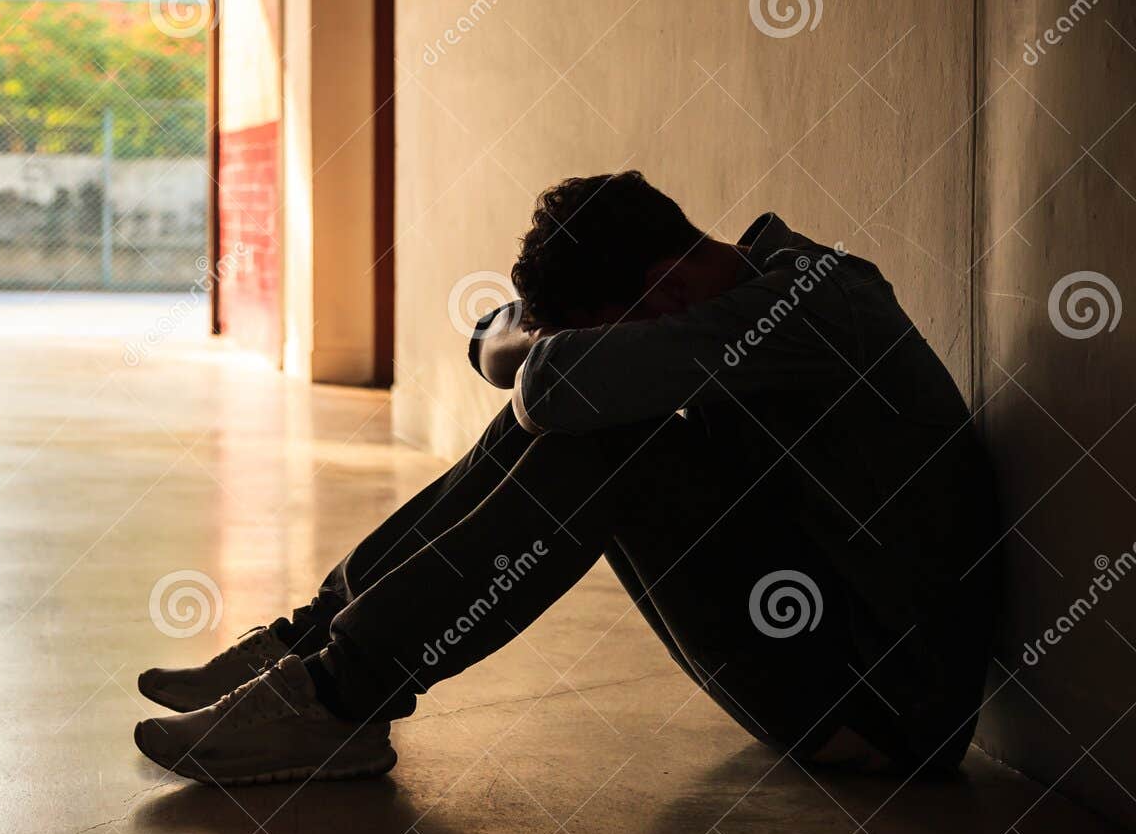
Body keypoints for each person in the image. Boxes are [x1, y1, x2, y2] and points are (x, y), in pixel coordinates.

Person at [132, 171, 1000, 786]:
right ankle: (313, 648)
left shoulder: (802, 310)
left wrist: (549, 355)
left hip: (883, 712)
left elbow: (543, 379)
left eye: (607, 332)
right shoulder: (731, 291)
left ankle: (338, 696)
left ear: (661, 288)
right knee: (595, 418)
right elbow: (494, 337)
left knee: (605, 435)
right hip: (812, 644)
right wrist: (547, 347)